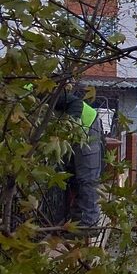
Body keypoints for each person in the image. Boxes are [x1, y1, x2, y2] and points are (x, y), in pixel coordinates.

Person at [53, 89, 104, 233]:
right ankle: (76, 221)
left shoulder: (36, 90)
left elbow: (76, 103)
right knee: (72, 176)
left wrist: (70, 126)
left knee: (87, 177)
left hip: (87, 127)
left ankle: (90, 224)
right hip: (69, 136)